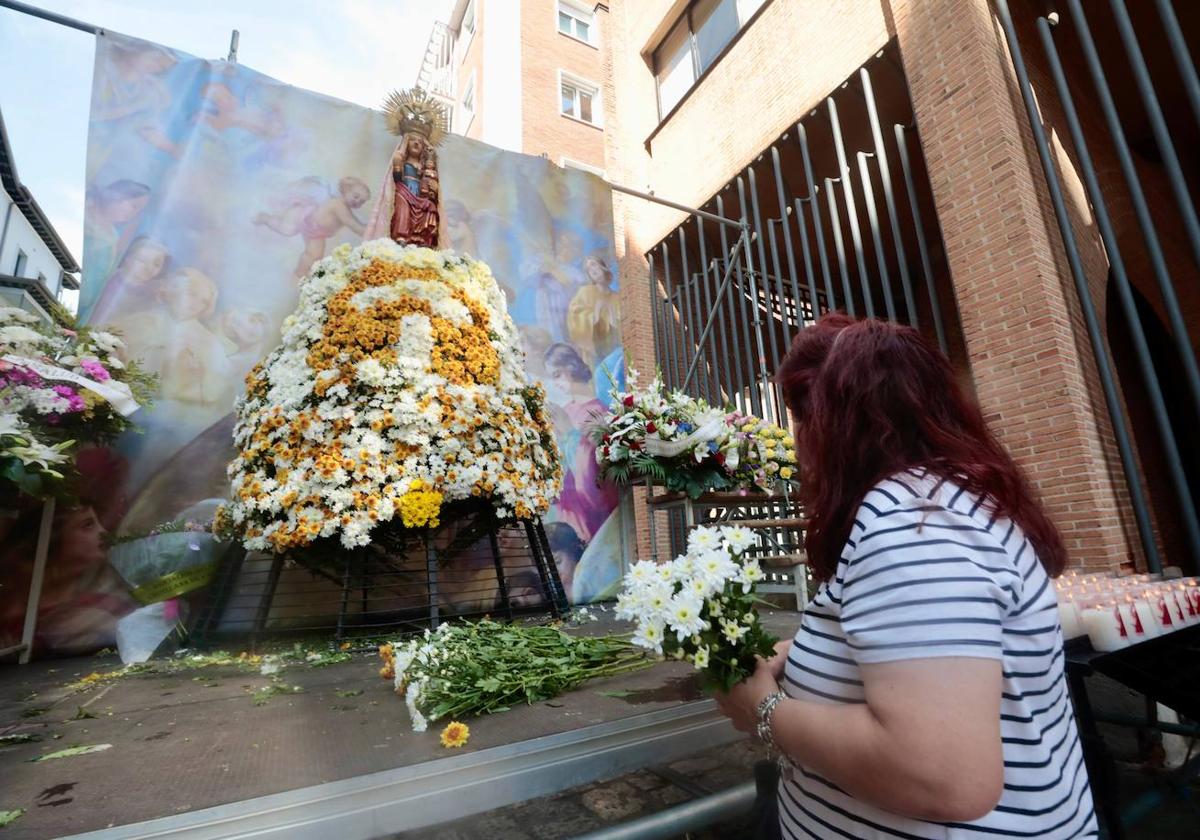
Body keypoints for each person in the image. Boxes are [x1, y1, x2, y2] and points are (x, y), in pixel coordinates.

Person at [714, 313, 1097, 839]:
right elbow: (908, 647)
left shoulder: (912, 526)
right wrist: (792, 656)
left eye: (802, 421)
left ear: (831, 425)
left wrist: (762, 709)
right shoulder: (941, 499)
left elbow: (942, 774)